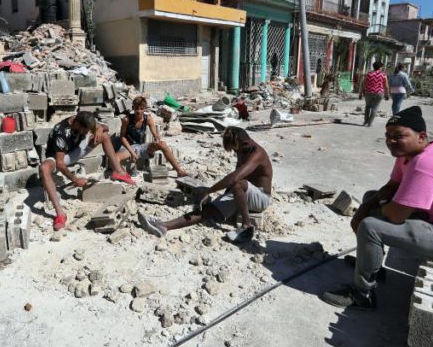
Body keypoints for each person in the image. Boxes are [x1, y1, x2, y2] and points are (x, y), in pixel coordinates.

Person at [322, 106, 433, 310]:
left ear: (421, 137)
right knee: (370, 199)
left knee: (371, 227)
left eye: (399, 136)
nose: (391, 141)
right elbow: (391, 186)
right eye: (388, 135)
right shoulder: (408, 154)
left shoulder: (426, 164)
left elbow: (395, 216)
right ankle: (372, 266)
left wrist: (369, 213)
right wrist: (365, 206)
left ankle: (362, 294)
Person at [138, 127, 272, 244]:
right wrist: (224, 198)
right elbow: (237, 177)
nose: (235, 152)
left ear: (244, 143)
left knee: (237, 184)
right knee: (207, 209)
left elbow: (235, 178)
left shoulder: (257, 154)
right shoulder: (242, 149)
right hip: (243, 192)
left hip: (261, 198)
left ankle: (247, 226)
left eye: (235, 149)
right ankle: (164, 226)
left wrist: (210, 190)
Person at [40, 112, 135, 230]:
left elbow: (106, 127)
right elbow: (60, 164)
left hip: (76, 151)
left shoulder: (84, 119)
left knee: (104, 135)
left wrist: (100, 129)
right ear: (77, 124)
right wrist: (75, 179)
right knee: (44, 168)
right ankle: (60, 214)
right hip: (60, 158)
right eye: (85, 131)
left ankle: (119, 172)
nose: (87, 133)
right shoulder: (61, 131)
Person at [114, 96, 187, 177]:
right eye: (136, 108)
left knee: (163, 144)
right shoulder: (126, 120)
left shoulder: (148, 119)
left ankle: (179, 171)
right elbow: (122, 137)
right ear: (133, 108)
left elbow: (155, 135)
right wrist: (131, 152)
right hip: (128, 147)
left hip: (141, 146)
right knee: (116, 157)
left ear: (145, 109)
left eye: (141, 108)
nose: (139, 111)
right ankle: (122, 175)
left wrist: (156, 140)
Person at [359, 61, 390, 127]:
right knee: (375, 108)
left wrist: (360, 93)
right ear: (380, 67)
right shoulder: (383, 75)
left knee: (367, 107)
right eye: (382, 67)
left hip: (368, 92)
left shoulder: (368, 74)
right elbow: (386, 86)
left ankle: (365, 122)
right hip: (379, 93)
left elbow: (362, 84)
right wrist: (387, 95)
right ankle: (370, 123)